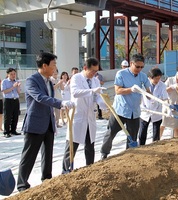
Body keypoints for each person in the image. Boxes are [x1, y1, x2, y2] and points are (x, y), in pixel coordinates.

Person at [17, 52, 74, 192]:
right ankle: (22, 185)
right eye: (53, 65)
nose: (55, 68)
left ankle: (46, 180)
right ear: (44, 65)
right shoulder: (32, 81)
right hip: (35, 124)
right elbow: (40, 98)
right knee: (29, 156)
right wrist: (60, 103)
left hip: (48, 123)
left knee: (48, 154)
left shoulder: (49, 81)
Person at [100, 53, 151, 159]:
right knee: (110, 133)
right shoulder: (121, 74)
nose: (139, 69)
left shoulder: (143, 76)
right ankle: (104, 154)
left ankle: (129, 156)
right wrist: (130, 89)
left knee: (132, 136)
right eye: (137, 66)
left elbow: (148, 91)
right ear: (131, 64)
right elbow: (117, 90)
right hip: (120, 110)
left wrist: (150, 96)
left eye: (142, 67)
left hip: (135, 112)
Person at [61, 57, 106, 174]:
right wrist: (92, 91)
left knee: (90, 145)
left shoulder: (95, 80)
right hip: (78, 117)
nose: (94, 73)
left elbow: (97, 96)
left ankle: (90, 168)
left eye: (96, 71)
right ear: (85, 68)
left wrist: (103, 104)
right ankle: (66, 170)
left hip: (90, 117)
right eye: (92, 71)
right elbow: (75, 93)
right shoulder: (76, 78)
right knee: (72, 145)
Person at [138, 68, 168, 145]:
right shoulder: (143, 85)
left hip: (157, 111)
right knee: (142, 131)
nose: (158, 80)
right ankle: (141, 145)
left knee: (156, 131)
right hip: (145, 110)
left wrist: (166, 107)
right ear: (150, 78)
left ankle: (155, 145)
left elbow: (165, 98)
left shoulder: (162, 85)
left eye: (159, 78)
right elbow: (140, 97)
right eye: (156, 78)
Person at [160, 63, 178, 138]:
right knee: (163, 124)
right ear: (177, 72)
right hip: (168, 105)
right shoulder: (170, 80)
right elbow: (163, 91)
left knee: (177, 126)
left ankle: (177, 140)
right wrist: (172, 87)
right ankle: (157, 139)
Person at [1, 68, 21, 138]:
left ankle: (13, 130)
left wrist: (18, 86)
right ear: (8, 74)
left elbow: (19, 92)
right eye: (11, 74)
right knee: (8, 116)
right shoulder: (5, 82)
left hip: (16, 100)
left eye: (14, 74)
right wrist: (13, 87)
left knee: (16, 115)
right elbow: (4, 91)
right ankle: (6, 132)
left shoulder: (16, 81)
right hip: (8, 100)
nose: (13, 75)